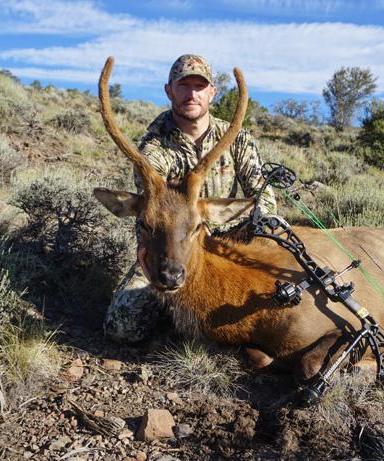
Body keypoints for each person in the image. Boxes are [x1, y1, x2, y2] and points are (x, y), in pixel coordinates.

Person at [104, 54, 278, 343]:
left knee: (277, 287)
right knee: (123, 324)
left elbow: (263, 197)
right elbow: (151, 213)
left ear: (212, 92)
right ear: (169, 90)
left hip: (231, 241)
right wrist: (147, 257)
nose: (192, 93)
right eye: (184, 85)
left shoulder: (237, 138)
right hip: (173, 248)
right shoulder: (153, 148)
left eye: (200, 86)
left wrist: (264, 233)